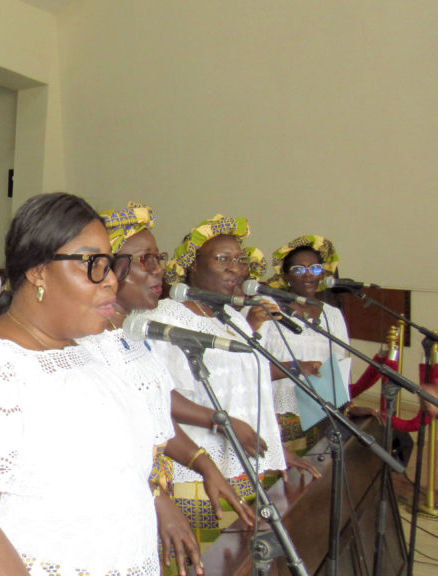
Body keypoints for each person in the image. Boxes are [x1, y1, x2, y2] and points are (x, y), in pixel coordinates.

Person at [0, 193, 157, 575]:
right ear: (38, 271)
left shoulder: (88, 354)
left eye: (112, 264)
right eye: (93, 264)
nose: (112, 280)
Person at [86, 203, 261, 573]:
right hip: (106, 506)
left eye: (159, 258)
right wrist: (157, 499)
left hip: (144, 494)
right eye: (146, 260)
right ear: (106, 268)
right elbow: (97, 445)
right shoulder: (85, 343)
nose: (159, 270)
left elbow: (156, 411)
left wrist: (204, 464)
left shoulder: (131, 333)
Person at [143, 214, 318, 548]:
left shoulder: (232, 317)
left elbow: (251, 392)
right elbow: (156, 397)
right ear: (191, 265)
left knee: (243, 557)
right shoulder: (167, 317)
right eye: (223, 259)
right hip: (198, 473)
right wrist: (223, 423)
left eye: (240, 259)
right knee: (209, 559)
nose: (236, 268)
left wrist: (275, 448)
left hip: (245, 467)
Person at [259, 235, 358, 452]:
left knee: (316, 469)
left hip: (321, 413)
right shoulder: (265, 307)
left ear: (323, 273)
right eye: (298, 269)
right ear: (285, 275)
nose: (308, 275)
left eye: (314, 268)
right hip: (277, 413)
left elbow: (340, 365)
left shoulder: (332, 315)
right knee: (280, 472)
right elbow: (251, 363)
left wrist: (348, 407)